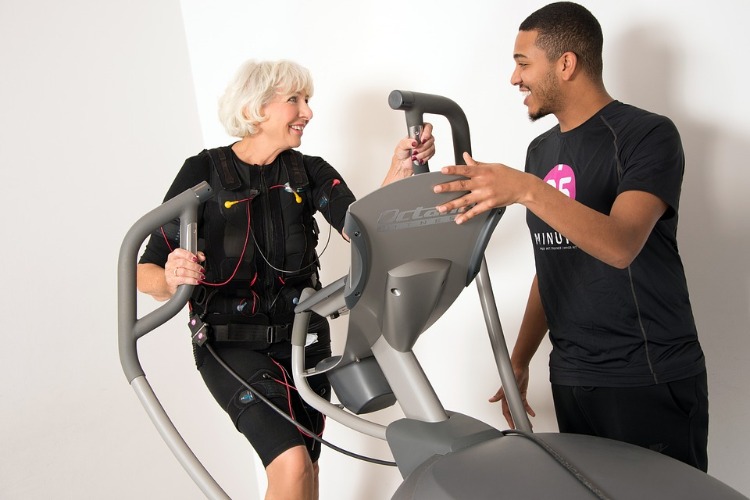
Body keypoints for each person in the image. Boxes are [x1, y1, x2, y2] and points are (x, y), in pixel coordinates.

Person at [137, 59, 434, 500]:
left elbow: (363, 228)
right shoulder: (203, 172)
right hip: (231, 345)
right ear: (256, 108)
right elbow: (146, 269)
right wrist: (171, 278)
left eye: (307, 100)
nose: (308, 112)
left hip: (303, 342)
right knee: (290, 462)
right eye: (294, 100)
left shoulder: (308, 172)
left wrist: (400, 167)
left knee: (307, 470)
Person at [433, 2, 708, 471]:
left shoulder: (648, 135)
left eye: (523, 63)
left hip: (647, 376)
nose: (513, 79)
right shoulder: (541, 150)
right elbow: (553, 261)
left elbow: (620, 245)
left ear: (566, 64)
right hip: (574, 377)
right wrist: (520, 360)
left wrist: (524, 188)